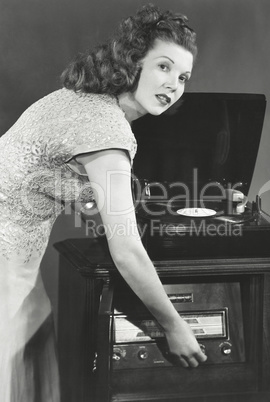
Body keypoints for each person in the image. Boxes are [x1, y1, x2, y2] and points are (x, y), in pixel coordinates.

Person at [0, 4, 207, 401]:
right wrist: (175, 326)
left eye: (183, 76)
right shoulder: (107, 127)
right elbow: (127, 252)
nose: (174, 84)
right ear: (133, 62)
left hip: (18, 269)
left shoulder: (77, 100)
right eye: (163, 67)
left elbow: (46, 180)